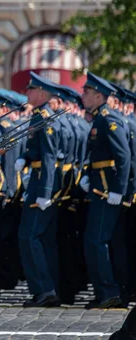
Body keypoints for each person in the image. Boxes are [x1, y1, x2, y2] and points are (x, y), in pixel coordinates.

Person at [79, 72, 130, 309]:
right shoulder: (99, 118)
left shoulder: (109, 118)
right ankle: (104, 291)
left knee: (96, 241)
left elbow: (124, 156)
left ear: (99, 95)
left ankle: (109, 292)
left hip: (108, 191)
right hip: (100, 188)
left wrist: (118, 190)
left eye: (87, 92)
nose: (83, 95)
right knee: (94, 241)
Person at [15, 72, 62, 307]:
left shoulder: (45, 118)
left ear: (41, 93)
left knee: (29, 236)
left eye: (31, 90)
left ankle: (44, 290)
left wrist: (45, 193)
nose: (27, 93)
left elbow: (49, 157)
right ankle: (46, 289)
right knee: (37, 238)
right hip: (35, 183)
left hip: (42, 186)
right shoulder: (37, 116)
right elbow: (36, 151)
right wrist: (24, 158)